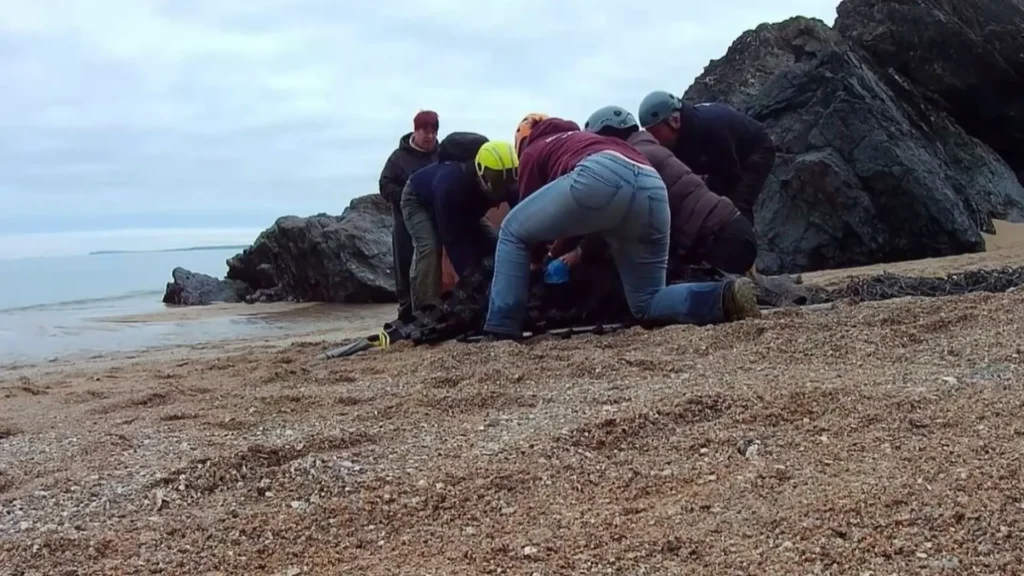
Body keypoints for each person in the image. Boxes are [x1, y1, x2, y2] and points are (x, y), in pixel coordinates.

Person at [483, 116, 762, 339]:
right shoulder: (589, 138)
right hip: (652, 188)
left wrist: (534, 265)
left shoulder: (534, 149)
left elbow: (528, 221)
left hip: (600, 176)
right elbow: (572, 218)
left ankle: (502, 328)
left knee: (511, 231)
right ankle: (724, 297)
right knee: (646, 301)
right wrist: (559, 252)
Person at [584, 105, 757, 276]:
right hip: (731, 230)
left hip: (723, 240)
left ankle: (725, 293)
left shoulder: (632, 161)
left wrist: (579, 252)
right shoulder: (652, 149)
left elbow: (614, 216)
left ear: (609, 137)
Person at [401, 140, 520, 309]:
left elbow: (523, 221)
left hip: (466, 207)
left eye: (506, 184)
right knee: (430, 248)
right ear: (481, 174)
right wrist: (470, 280)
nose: (502, 192)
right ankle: (425, 310)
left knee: (496, 245)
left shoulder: (509, 182)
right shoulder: (451, 186)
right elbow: (453, 240)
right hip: (419, 200)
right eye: (497, 184)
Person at [637, 91, 776, 227]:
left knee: (737, 203)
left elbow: (729, 173)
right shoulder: (675, 139)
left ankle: (742, 241)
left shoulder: (710, 127)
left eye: (656, 132)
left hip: (756, 149)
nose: (654, 139)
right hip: (721, 158)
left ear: (674, 121)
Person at [378, 110, 439, 322]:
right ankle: (406, 312)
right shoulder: (398, 157)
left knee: (431, 261)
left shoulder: (441, 155)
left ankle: (430, 308)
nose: (430, 136)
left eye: (434, 131)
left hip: (433, 219)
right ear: (416, 131)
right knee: (404, 265)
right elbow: (384, 184)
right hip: (404, 220)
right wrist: (406, 196)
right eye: (425, 131)